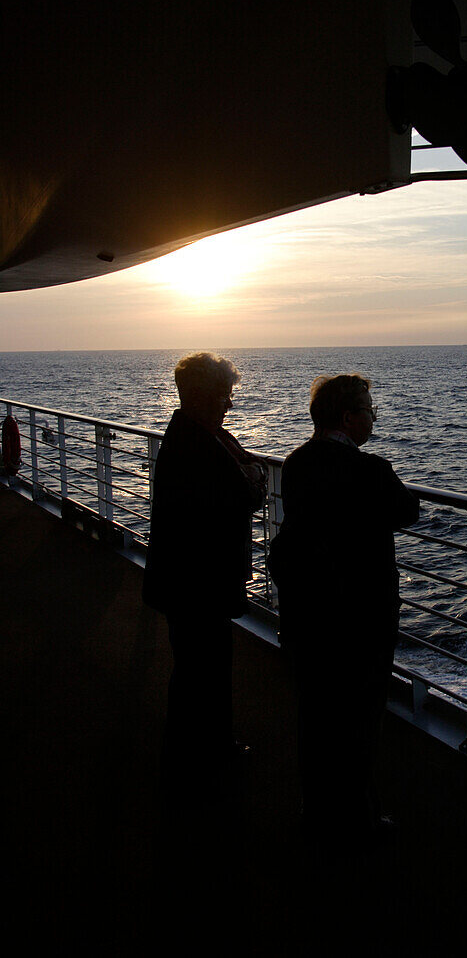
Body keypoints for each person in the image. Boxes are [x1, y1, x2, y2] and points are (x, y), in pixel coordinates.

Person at [267, 373, 419, 845]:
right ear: (349, 417)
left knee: (316, 716)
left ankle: (317, 812)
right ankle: (360, 823)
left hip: (308, 614)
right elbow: (407, 510)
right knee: (358, 721)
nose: (374, 419)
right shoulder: (370, 470)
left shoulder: (295, 463)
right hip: (359, 621)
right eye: (370, 411)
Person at [143, 352, 267, 788]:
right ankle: (198, 762)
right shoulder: (199, 444)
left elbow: (243, 469)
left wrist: (248, 473)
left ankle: (196, 753)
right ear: (202, 396)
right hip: (199, 581)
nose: (229, 404)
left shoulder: (194, 434)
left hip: (188, 578)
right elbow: (243, 492)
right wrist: (253, 480)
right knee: (203, 670)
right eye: (224, 395)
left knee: (199, 668)